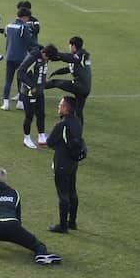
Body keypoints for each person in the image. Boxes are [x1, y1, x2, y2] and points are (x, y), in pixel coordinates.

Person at [45, 96, 85, 233]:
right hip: (73, 162)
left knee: (63, 195)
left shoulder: (61, 124)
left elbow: (49, 142)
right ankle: (72, 222)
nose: (58, 107)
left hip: (62, 162)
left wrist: (58, 145)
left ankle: (62, 226)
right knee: (72, 191)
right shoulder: (77, 121)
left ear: (66, 109)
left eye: (61, 105)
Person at [0, 6, 36, 110]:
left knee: (8, 80)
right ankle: (20, 102)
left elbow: (7, 36)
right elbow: (30, 42)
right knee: (22, 80)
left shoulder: (9, 25)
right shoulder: (24, 27)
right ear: (24, 17)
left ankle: (5, 103)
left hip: (9, 56)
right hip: (21, 57)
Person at [46, 36, 92, 125]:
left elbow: (70, 58)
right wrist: (56, 72)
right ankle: (78, 132)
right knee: (78, 111)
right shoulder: (79, 57)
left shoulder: (81, 55)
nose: (69, 47)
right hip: (85, 89)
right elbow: (70, 68)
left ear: (73, 46)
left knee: (55, 82)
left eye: (70, 45)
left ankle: (36, 87)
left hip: (79, 86)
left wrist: (58, 54)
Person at [18, 45, 54, 149]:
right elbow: (20, 72)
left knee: (41, 114)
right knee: (29, 116)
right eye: (48, 58)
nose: (48, 60)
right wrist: (32, 86)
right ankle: (27, 138)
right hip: (29, 92)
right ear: (44, 54)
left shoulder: (45, 58)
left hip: (39, 91)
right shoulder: (33, 58)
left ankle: (41, 136)